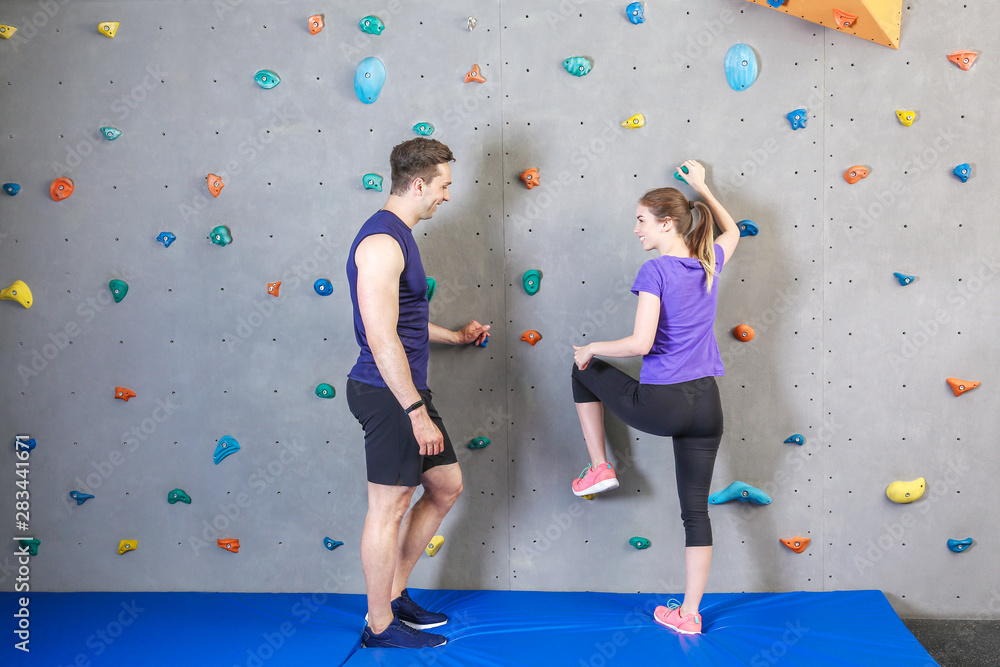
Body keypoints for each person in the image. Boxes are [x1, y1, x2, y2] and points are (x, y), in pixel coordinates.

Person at [569, 160, 740, 635]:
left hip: (663, 404)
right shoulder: (709, 263)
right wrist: (704, 187)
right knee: (695, 512)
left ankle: (600, 465)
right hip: (707, 406)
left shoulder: (657, 270)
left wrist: (592, 348)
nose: (636, 229)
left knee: (582, 369)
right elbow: (733, 232)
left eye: (642, 220)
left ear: (666, 223)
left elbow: (641, 345)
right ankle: (689, 614)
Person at [345, 138, 490, 649]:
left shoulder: (401, 236)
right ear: (420, 183)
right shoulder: (382, 242)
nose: (447, 196)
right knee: (389, 507)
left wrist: (454, 336)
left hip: (405, 391)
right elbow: (381, 336)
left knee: (445, 487)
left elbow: (403, 320)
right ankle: (380, 625)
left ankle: (397, 593)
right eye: (445, 186)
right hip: (388, 395)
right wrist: (414, 411)